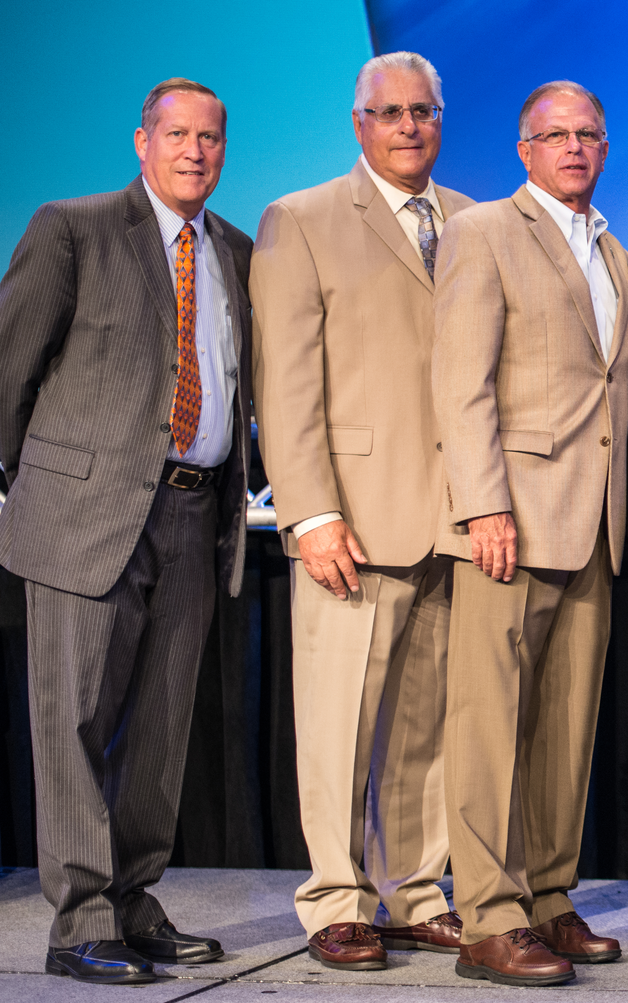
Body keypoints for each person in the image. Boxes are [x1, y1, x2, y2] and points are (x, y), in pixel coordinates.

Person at [0, 78, 251, 985]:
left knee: (160, 729)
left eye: (211, 137)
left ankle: (135, 901)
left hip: (194, 511)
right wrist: (21, 483)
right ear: (141, 141)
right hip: (84, 516)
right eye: (177, 134)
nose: (195, 151)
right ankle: (78, 923)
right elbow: (7, 366)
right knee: (72, 722)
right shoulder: (73, 227)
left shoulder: (236, 250)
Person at [252, 51, 474, 972]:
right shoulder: (299, 221)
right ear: (359, 124)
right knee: (340, 721)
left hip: (450, 521)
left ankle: (417, 891)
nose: (409, 127)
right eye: (390, 113)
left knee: (425, 729)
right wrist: (309, 513)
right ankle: (338, 896)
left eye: (423, 111)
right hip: (351, 518)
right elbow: (287, 380)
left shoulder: (473, 218)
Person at [431, 79, 628, 987]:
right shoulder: (483, 232)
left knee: (565, 726)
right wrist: (483, 504)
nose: (574, 147)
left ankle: (548, 896)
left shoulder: (611, 246)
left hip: (592, 524)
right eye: (555, 135)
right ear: (525, 150)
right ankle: (487, 914)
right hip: (509, 521)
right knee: (486, 724)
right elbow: (461, 380)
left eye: (589, 133)